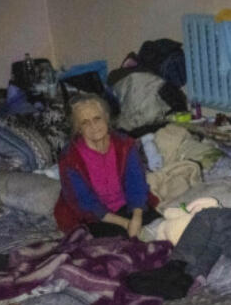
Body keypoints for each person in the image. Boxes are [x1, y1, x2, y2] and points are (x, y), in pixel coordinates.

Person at [55, 94, 159, 237]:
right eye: (85, 122)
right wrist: (125, 224)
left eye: (97, 119)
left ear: (106, 118)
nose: (93, 126)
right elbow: (86, 202)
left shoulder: (124, 145)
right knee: (118, 249)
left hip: (129, 206)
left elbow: (136, 185)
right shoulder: (70, 158)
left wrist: (136, 218)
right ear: (78, 128)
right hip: (96, 216)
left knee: (162, 231)